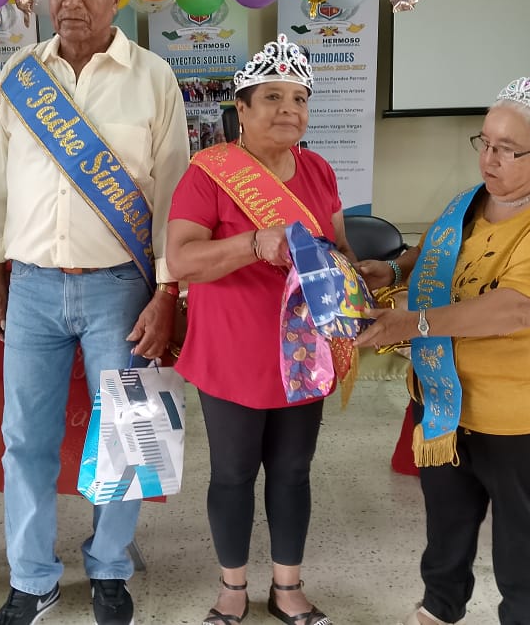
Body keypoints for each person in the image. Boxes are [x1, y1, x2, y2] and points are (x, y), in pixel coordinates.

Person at [0, 0, 190, 625]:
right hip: (33, 286)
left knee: (129, 433)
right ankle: (32, 578)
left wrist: (168, 291)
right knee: (25, 440)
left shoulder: (153, 78)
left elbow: (174, 195)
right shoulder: (21, 75)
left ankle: (109, 567)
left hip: (119, 287)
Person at [354, 66, 530, 625]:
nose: (489, 160)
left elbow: (516, 310)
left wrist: (412, 323)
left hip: (526, 415)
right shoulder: (475, 200)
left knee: (524, 532)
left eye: (508, 150)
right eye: (485, 143)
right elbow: (439, 248)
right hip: (447, 398)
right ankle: (439, 609)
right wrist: (394, 267)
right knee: (447, 520)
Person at [166, 34, 356, 625]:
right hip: (232, 351)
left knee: (294, 471)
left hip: (303, 352)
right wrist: (252, 243)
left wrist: (363, 279)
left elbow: (339, 248)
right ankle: (232, 587)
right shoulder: (209, 173)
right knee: (233, 473)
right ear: (241, 109)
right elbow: (182, 259)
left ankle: (287, 585)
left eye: (299, 98)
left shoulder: (318, 170)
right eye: (272, 97)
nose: (288, 110)